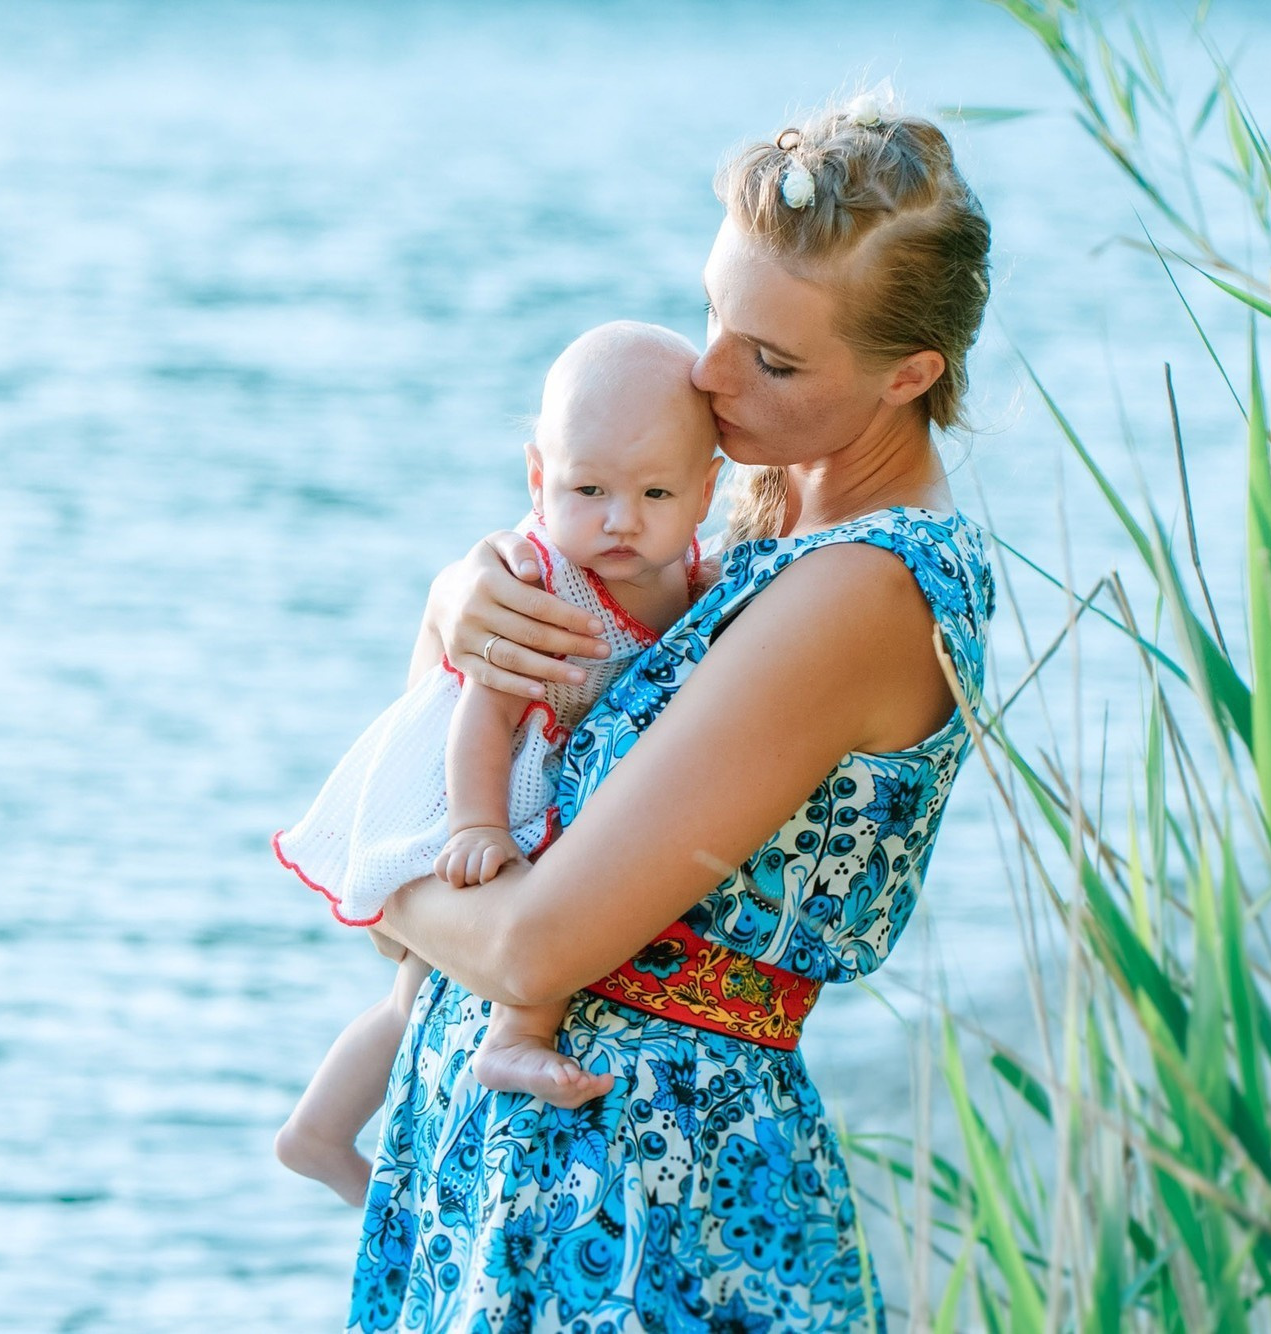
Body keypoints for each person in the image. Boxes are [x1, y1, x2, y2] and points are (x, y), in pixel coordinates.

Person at [349, 92, 995, 1332]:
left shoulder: (859, 589)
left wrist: (367, 867)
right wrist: (454, 613)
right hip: (514, 1184)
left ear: (909, 373)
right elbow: (471, 849)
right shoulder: (736, 528)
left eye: (773, 359)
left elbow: (529, 946)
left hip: (646, 1202)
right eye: (715, 314)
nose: (706, 373)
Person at [270, 322, 723, 1206]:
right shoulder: (546, 583)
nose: (621, 519)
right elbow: (483, 709)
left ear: (706, 492)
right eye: (587, 488)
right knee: (423, 983)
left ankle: (316, 1132)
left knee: (411, 996)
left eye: (655, 493)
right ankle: (456, 1066)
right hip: (476, 783)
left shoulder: (689, 569)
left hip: (532, 782)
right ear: (536, 479)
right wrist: (477, 825)